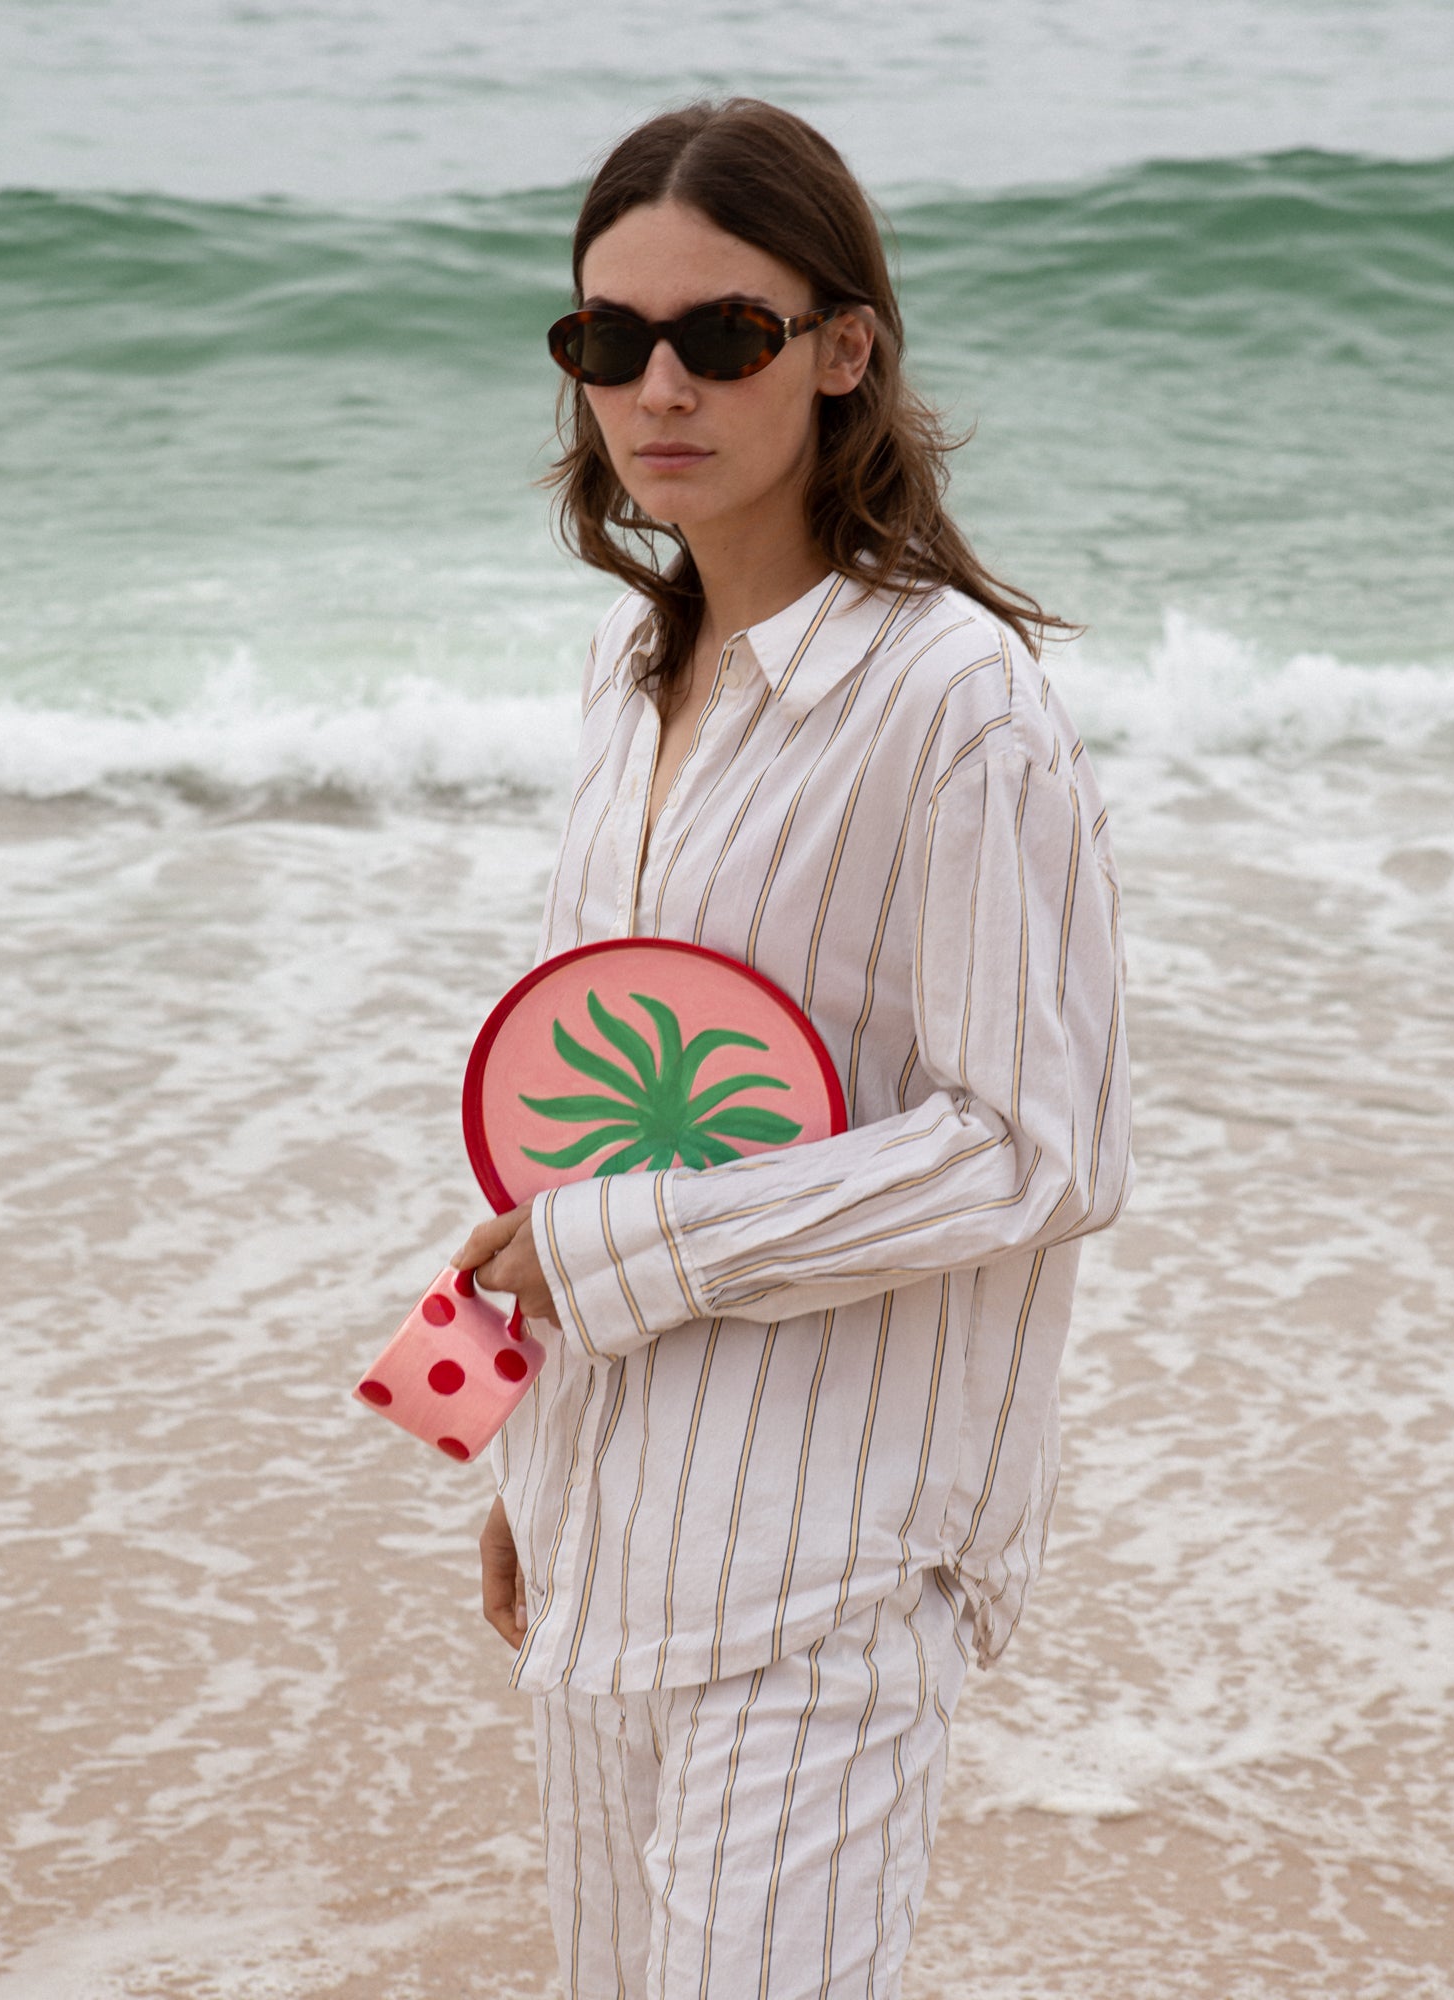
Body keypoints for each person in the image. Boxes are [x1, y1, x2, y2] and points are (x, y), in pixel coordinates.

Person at [454, 97, 1132, 2000]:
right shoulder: (625, 672)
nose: (658, 384)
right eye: (609, 340)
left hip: (833, 1563)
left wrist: (619, 1250)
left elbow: (1040, 1145)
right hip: (618, 1530)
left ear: (843, 352)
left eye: (722, 335)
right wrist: (539, 1449)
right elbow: (608, 1083)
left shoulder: (958, 704)